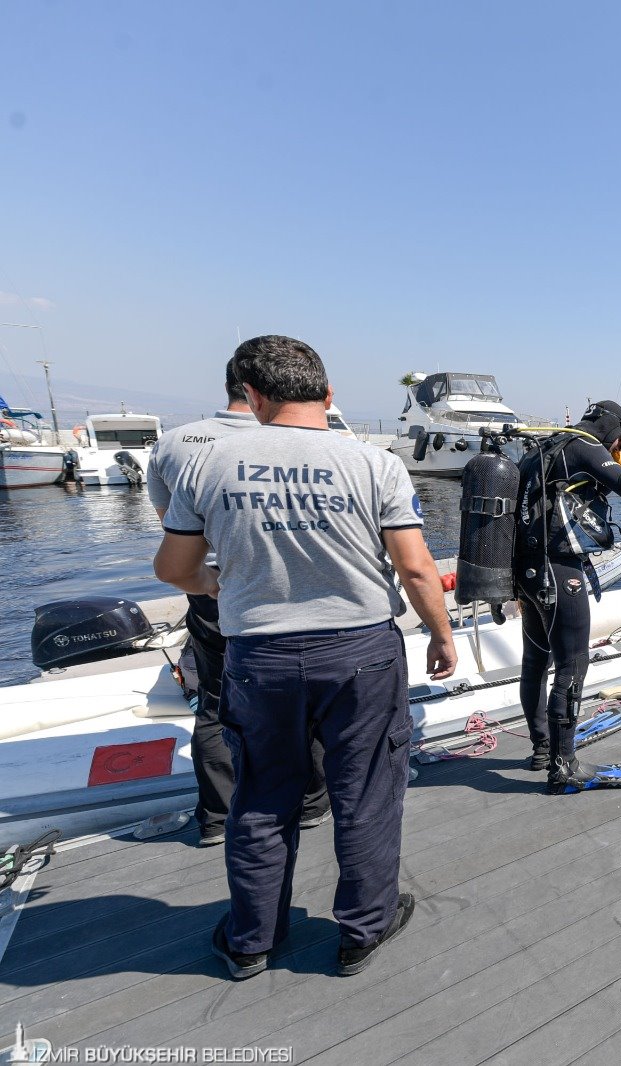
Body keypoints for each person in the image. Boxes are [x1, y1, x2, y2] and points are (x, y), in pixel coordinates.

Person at [153, 335, 458, 981]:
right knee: (367, 791)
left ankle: (252, 940)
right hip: (359, 652)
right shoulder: (373, 464)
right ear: (328, 395)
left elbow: (174, 567)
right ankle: (362, 931)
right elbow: (414, 566)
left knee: (262, 795)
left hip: (257, 655)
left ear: (254, 396)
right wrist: (441, 635)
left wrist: (217, 587)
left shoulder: (205, 464)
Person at [145, 357, 328, 847]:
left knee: (214, 702)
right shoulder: (306, 442)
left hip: (216, 587)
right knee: (305, 696)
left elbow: (176, 532)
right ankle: (311, 803)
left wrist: (206, 584)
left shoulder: (173, 444)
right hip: (291, 590)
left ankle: (218, 817)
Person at [515, 399, 621, 791]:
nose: (619, 451)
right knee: (572, 668)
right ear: (615, 431)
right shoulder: (584, 447)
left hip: (527, 573)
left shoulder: (544, 448)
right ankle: (564, 766)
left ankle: (542, 749)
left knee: (535, 664)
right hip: (560, 573)